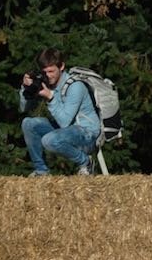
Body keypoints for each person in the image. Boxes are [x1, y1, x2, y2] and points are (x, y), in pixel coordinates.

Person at [18, 47, 99, 176]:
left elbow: (64, 122)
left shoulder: (75, 86)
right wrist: (25, 88)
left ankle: (86, 162)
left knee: (49, 140)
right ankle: (41, 171)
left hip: (87, 135)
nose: (48, 76)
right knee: (28, 123)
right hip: (65, 130)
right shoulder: (46, 82)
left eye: (51, 71)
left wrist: (50, 98)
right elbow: (24, 108)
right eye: (44, 72)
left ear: (61, 66)